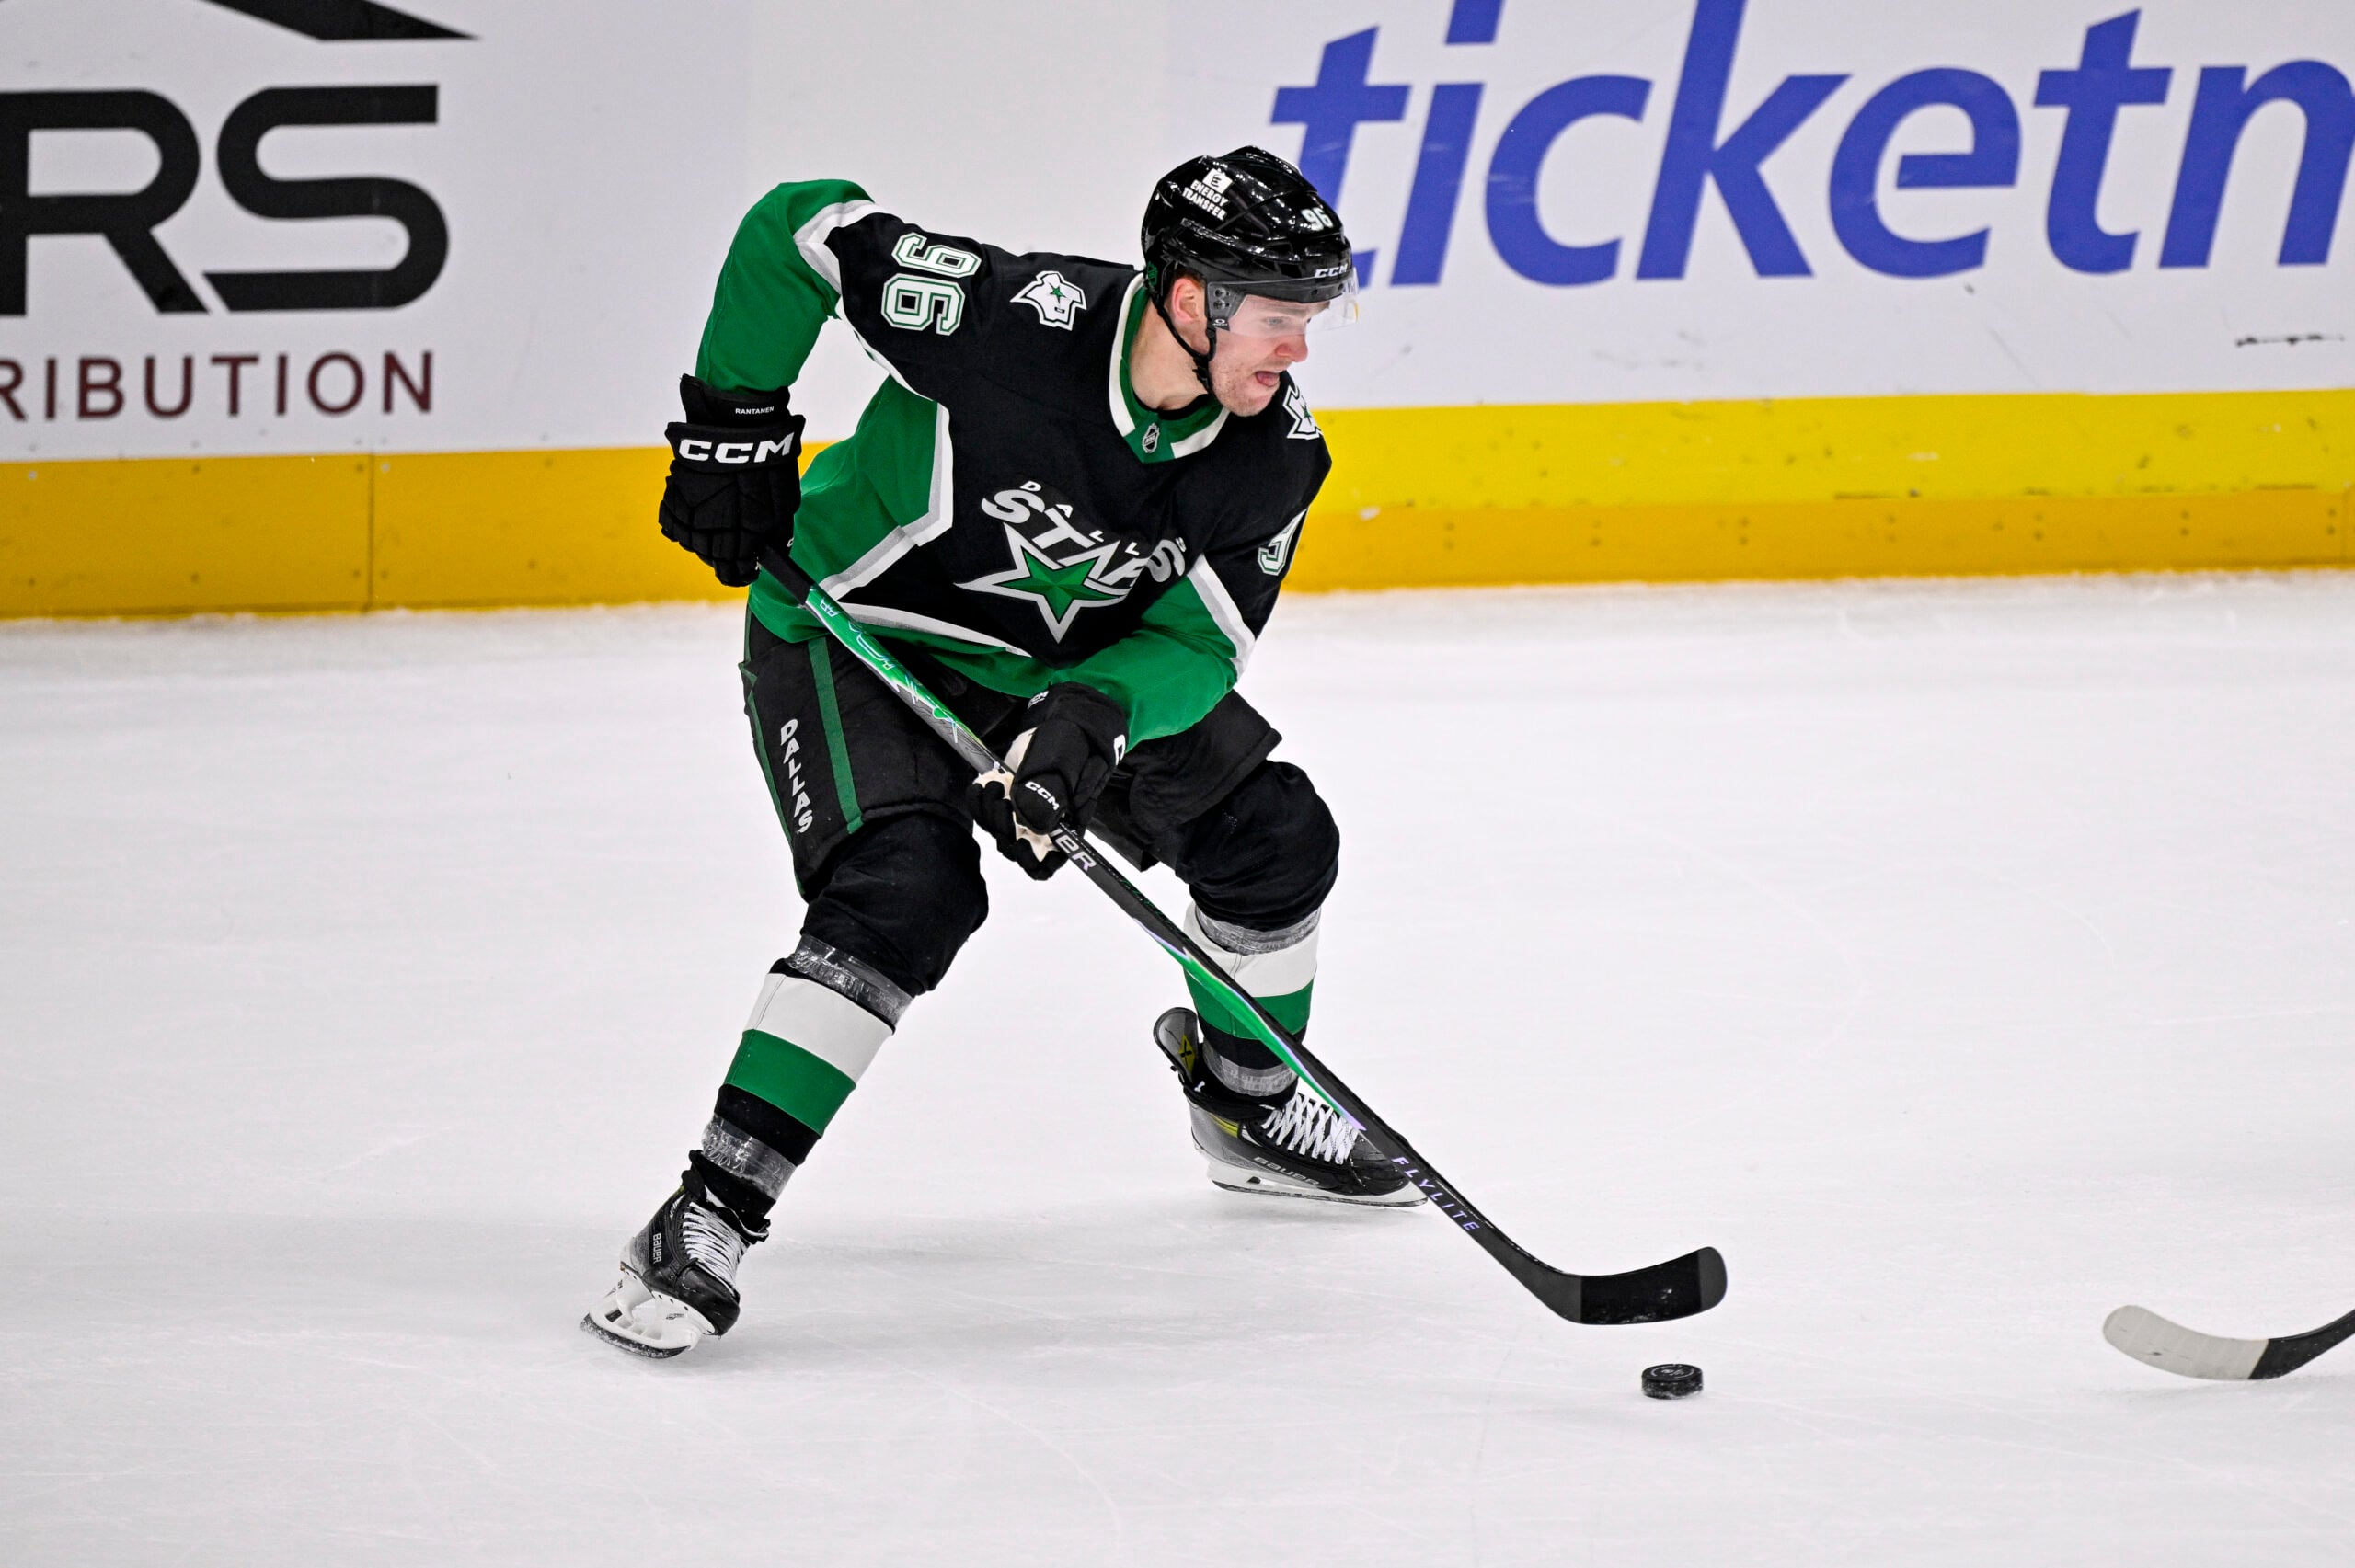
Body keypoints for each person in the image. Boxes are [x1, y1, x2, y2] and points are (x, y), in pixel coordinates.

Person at [584, 146, 1419, 1361]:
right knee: (905, 893)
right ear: (1192, 300)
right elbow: (795, 230)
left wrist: (1093, 714)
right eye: (1281, 320)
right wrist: (733, 429)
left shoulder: (1274, 456)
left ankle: (1247, 1102)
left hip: (1054, 675)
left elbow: (1199, 640)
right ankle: (705, 1213)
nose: (1299, 351)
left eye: (1311, 320)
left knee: (1276, 838)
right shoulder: (1004, 321)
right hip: (860, 635)